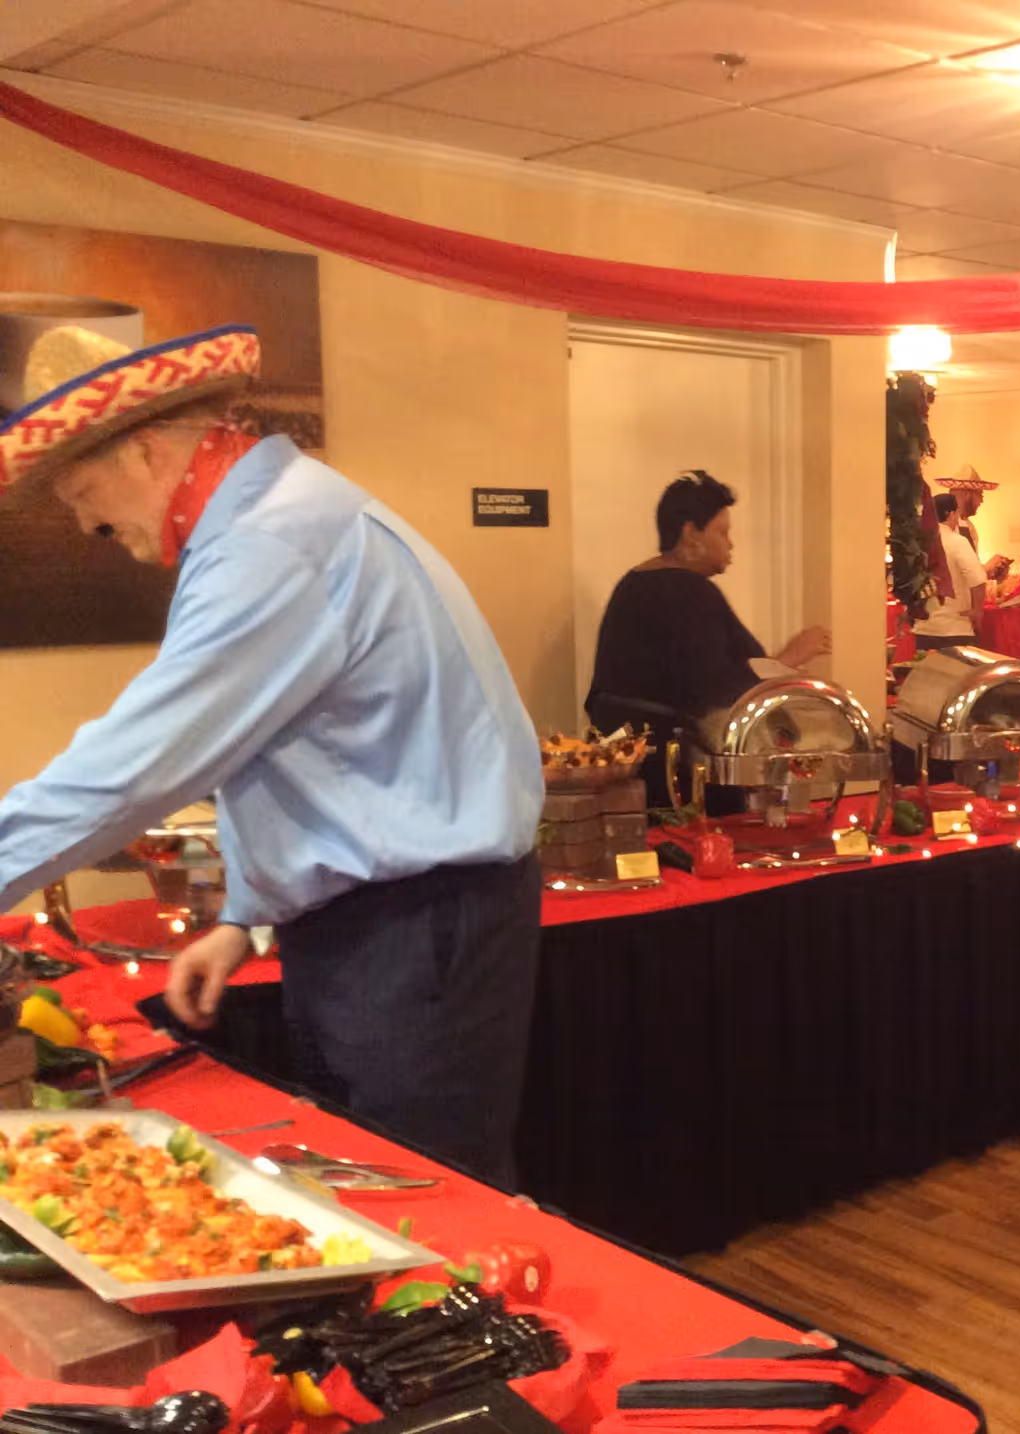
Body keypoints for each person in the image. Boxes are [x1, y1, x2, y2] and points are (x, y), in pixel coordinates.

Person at [0, 323, 543, 1184]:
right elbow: (308, 758)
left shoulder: (269, 544)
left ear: (143, 451)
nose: (86, 522)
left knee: (428, 1202)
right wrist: (246, 918)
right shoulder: (281, 513)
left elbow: (133, 767)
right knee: (371, 1182)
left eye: (80, 491)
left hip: (408, 929)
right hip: (392, 923)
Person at [585, 470, 831, 801]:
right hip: (680, 778)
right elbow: (713, 690)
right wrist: (789, 658)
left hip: (634, 766)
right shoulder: (689, 592)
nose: (730, 543)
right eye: (722, 532)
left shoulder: (634, 583)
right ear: (691, 535)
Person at [912, 493, 988, 653]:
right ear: (951, 514)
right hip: (954, 628)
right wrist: (976, 611)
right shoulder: (957, 541)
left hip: (924, 629)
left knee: (928, 675)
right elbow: (978, 580)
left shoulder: (917, 543)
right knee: (958, 676)